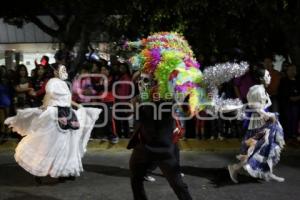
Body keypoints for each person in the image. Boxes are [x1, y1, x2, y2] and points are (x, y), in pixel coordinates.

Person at [4, 64, 101, 183]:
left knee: (66, 144)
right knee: (51, 143)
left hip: (68, 114)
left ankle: (63, 171)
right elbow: (48, 94)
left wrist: (78, 105)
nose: (65, 72)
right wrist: (45, 106)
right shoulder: (52, 82)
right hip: (56, 114)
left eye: (65, 69)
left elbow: (66, 99)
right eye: (62, 70)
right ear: (55, 72)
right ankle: (41, 169)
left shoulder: (64, 83)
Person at [228, 65, 285, 183]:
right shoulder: (257, 89)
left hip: (267, 122)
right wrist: (266, 115)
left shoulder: (262, 88)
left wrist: (268, 116)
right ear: (261, 78)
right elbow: (253, 106)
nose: (270, 77)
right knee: (253, 149)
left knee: (269, 148)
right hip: (258, 123)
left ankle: (268, 173)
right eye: (267, 75)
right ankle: (234, 168)